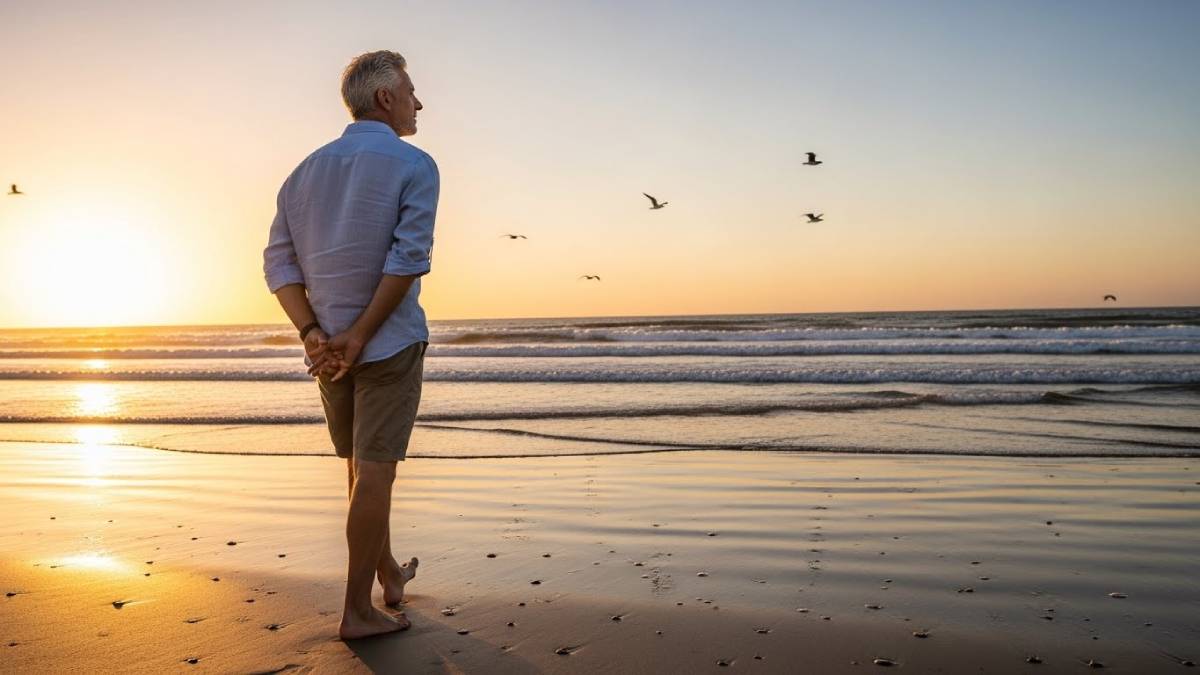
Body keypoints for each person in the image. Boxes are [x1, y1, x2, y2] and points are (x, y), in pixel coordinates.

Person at [262, 50, 438, 640]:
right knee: (376, 471)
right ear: (386, 98)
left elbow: (279, 265)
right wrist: (359, 336)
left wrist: (313, 335)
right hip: (384, 344)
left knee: (360, 470)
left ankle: (388, 574)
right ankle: (357, 611)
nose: (418, 102)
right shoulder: (415, 164)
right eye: (410, 92)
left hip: (329, 353)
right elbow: (408, 258)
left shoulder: (303, 172)